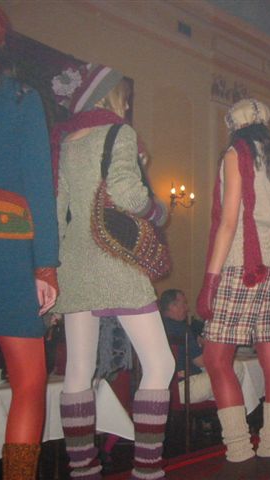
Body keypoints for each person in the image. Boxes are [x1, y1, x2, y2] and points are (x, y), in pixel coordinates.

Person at [51, 62, 174, 480]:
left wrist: (53, 269)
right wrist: (158, 211)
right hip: (115, 260)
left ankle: (82, 468)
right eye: (126, 96)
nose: (128, 103)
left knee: (77, 370)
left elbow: (58, 211)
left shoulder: (68, 141)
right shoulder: (119, 132)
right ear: (113, 95)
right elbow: (127, 194)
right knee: (160, 364)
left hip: (74, 261)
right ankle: (147, 469)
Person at [195, 98, 270, 463]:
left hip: (241, 263)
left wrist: (210, 278)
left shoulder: (236, 154)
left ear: (235, 126)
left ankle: (238, 447)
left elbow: (229, 222)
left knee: (216, 357)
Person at [0, 2, 59, 477]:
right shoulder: (20, 98)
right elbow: (39, 187)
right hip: (5, 246)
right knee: (29, 381)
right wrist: (45, 264)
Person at [160, 289, 244, 404]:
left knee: (220, 380)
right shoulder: (182, 329)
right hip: (184, 389)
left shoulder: (158, 325)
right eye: (184, 304)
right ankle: (229, 409)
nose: (187, 308)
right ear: (172, 306)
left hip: (164, 388)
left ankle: (217, 409)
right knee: (236, 366)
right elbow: (201, 361)